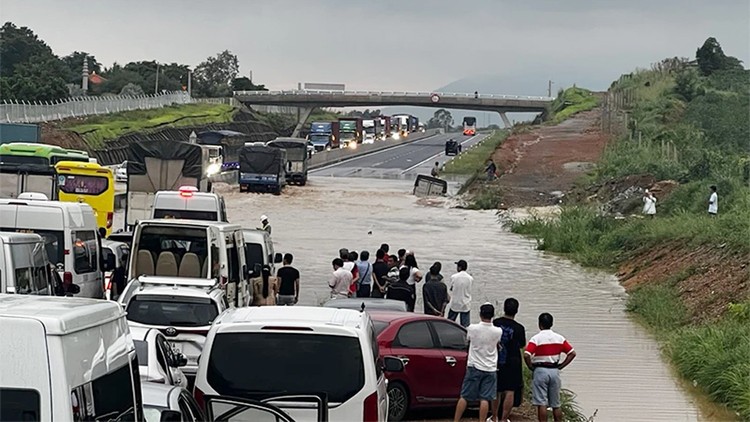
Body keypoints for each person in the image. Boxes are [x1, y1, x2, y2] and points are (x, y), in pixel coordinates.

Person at [453, 303, 504, 422]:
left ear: (480, 314)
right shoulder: (498, 331)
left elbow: (468, 341)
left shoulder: (472, 328)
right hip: (490, 368)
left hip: (474, 366)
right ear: (492, 315)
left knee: (464, 396)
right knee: (485, 399)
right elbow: (498, 344)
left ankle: (456, 420)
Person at [524, 313, 577, 422]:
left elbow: (526, 354)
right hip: (554, 370)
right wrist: (561, 366)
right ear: (551, 324)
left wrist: (530, 365)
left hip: (540, 370)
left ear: (540, 324)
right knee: (556, 404)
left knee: (541, 403)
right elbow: (572, 353)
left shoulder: (536, 338)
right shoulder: (559, 338)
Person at [491, 298, 527, 422]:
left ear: (504, 308)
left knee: (497, 389)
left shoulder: (495, 323)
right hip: (513, 361)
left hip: (497, 359)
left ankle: (494, 416)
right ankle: (504, 419)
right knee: (510, 390)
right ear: (516, 311)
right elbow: (522, 345)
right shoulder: (519, 328)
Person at [448, 260, 473, 327]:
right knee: (465, 326)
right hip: (466, 303)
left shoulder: (454, 277)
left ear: (459, 268)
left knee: (450, 323)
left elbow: (451, 288)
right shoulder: (470, 278)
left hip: (455, 303)